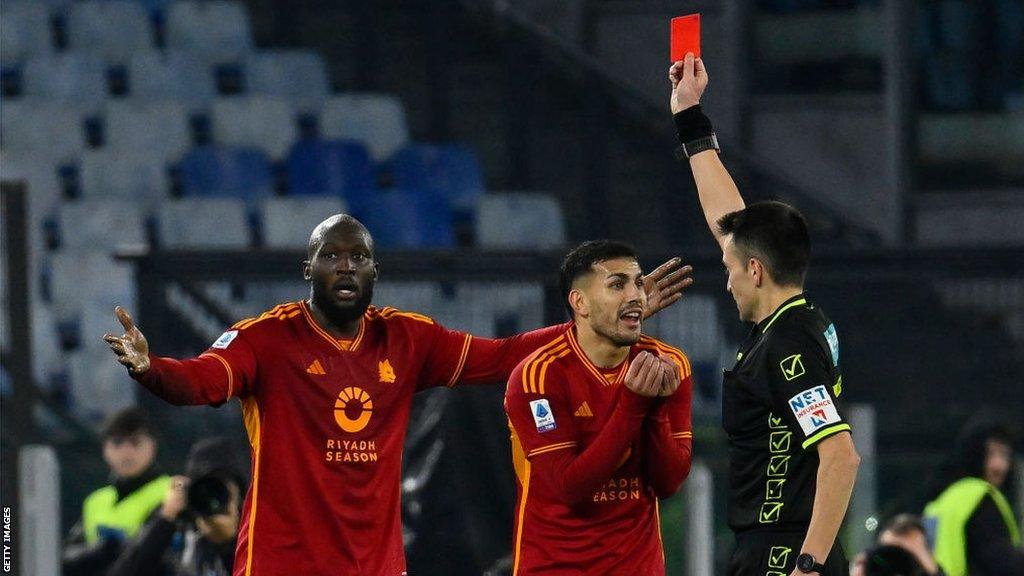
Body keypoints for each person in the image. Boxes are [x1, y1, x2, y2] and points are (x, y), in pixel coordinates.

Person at [102, 214, 692, 576]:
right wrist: (151, 368)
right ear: (307, 268)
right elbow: (200, 380)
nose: (346, 265)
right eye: (331, 255)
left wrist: (613, 314)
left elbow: (501, 355)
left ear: (374, 272)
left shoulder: (405, 339)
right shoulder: (267, 338)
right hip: (284, 565)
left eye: (358, 255)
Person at [670, 53, 861, 576]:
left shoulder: (787, 349)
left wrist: (807, 565)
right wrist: (689, 117)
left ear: (755, 271)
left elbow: (841, 457)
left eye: (731, 267)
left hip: (782, 554)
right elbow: (725, 222)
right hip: (778, 547)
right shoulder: (799, 320)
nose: (725, 278)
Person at [503, 240, 693, 575]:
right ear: (580, 302)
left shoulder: (668, 364)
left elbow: (669, 483)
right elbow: (569, 487)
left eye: (637, 283)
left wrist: (657, 410)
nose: (636, 295)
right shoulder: (538, 376)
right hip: (555, 567)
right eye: (617, 284)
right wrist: (635, 405)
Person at [108, 436, 249, 576]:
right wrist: (165, 519)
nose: (212, 497)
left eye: (221, 489)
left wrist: (229, 545)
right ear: (191, 489)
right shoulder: (178, 525)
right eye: (204, 489)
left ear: (240, 494)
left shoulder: (252, 528)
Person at [62, 407, 172, 576]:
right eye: (118, 442)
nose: (126, 452)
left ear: (153, 446)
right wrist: (99, 552)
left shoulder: (171, 493)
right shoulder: (96, 501)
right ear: (105, 449)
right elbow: (66, 557)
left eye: (136, 442)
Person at [924, 422, 1023, 576]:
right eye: (991, 454)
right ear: (975, 453)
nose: (999, 466)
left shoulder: (939, 502)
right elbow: (1001, 563)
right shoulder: (980, 496)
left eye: (1004, 455)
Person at [877, 514, 944, 576]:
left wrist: (932, 571)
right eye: (892, 553)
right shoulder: (872, 569)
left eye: (909, 557)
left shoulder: (930, 570)